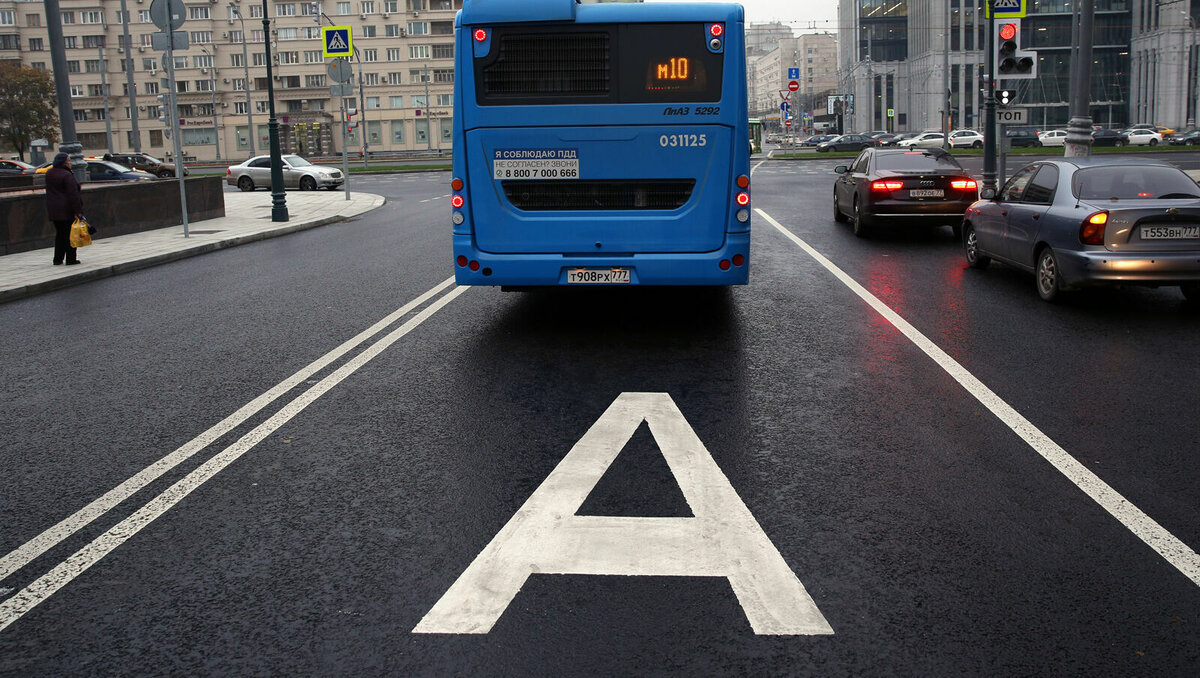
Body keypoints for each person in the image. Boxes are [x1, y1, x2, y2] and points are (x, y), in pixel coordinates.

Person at [45, 152, 83, 265]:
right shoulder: (67, 175)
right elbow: (73, 195)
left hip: (54, 209)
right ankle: (71, 259)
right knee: (71, 235)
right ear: (64, 162)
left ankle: (57, 259)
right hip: (67, 210)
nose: (70, 163)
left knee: (60, 235)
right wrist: (78, 211)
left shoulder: (49, 173)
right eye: (69, 160)